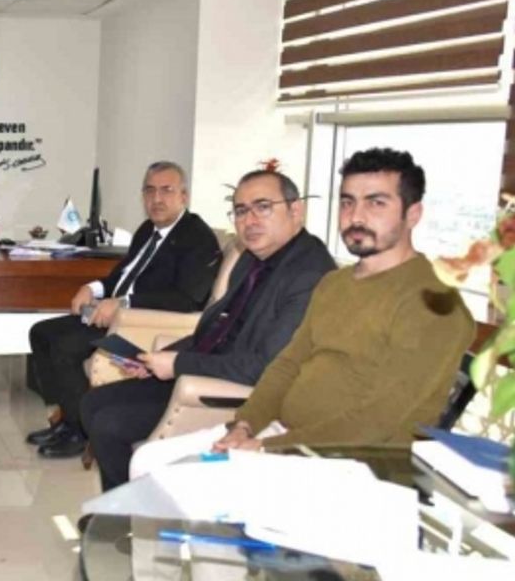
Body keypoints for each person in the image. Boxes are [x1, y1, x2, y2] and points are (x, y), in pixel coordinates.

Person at [129, 148, 474, 480]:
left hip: (350, 462)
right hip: (281, 435)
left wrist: (266, 447)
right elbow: (287, 365)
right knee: (147, 461)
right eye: (348, 202)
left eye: (376, 203)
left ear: (413, 214)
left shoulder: (434, 304)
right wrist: (245, 425)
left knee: (170, 480)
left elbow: (379, 422)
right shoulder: (335, 284)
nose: (356, 216)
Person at [80, 168, 335, 490]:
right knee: (92, 403)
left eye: (263, 207)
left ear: (296, 210)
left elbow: (266, 367)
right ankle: (122, 507)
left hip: (239, 391)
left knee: (110, 424)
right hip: (209, 367)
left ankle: (129, 510)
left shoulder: (309, 275)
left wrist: (178, 364)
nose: (250, 220)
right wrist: (161, 357)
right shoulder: (253, 259)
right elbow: (218, 329)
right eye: (241, 210)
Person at [27, 161, 220, 459]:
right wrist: (92, 288)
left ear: (184, 196)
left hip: (142, 326)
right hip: (115, 316)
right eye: (150, 190)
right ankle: (67, 418)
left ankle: (80, 432)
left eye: (166, 190)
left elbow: (187, 299)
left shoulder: (197, 238)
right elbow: (122, 276)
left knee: (65, 345)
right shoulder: (147, 230)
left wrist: (125, 303)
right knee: (41, 333)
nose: (157, 199)